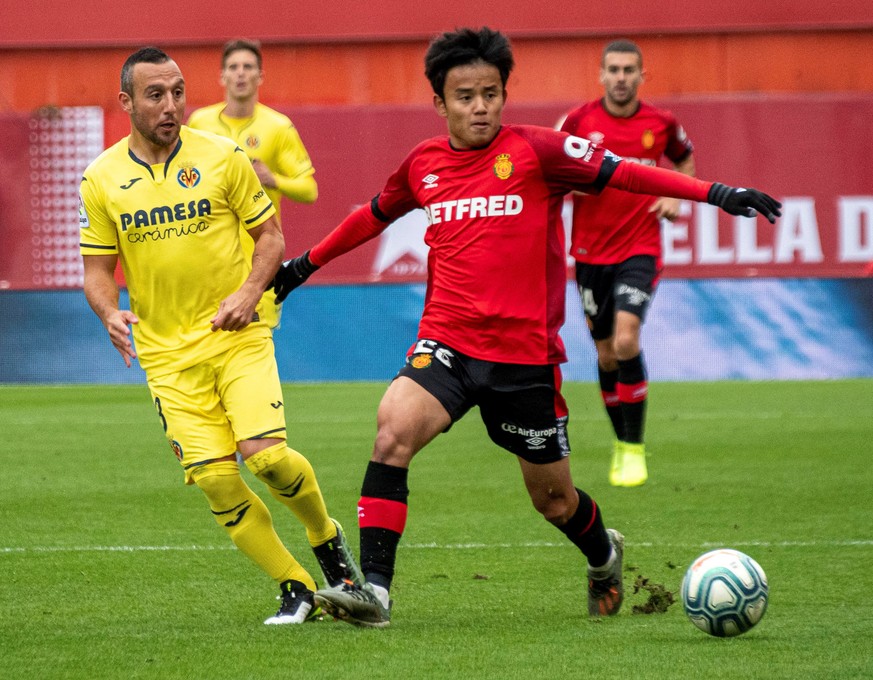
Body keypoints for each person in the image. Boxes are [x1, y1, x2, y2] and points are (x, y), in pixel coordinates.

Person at [272, 27, 780, 628]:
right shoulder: (424, 165)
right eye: (465, 96)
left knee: (554, 500)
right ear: (440, 102)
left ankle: (603, 553)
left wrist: (714, 193)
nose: (480, 106)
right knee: (392, 432)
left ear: (504, 94)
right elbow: (372, 216)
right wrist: (304, 266)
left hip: (524, 359)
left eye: (490, 93)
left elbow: (628, 174)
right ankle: (375, 593)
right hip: (449, 342)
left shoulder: (541, 150)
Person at [79, 46, 360, 626]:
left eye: (178, 92)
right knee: (213, 477)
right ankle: (296, 586)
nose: (171, 105)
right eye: (156, 95)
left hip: (238, 333)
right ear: (127, 102)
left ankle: (327, 542)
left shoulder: (224, 156)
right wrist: (108, 312)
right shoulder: (101, 178)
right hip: (165, 354)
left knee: (269, 459)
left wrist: (249, 292)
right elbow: (98, 272)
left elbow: (273, 239)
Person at [559, 39, 696, 488]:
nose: (620, 78)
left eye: (628, 70)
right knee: (605, 354)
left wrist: (675, 192)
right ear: (601, 75)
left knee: (625, 339)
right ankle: (621, 442)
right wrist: (571, 185)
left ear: (642, 76)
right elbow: (554, 167)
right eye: (613, 70)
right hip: (590, 254)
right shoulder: (579, 122)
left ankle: (635, 448)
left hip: (640, 248)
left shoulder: (661, 123)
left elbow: (683, 159)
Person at [187, 38, 317, 330]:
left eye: (248, 67)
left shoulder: (277, 126)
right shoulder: (199, 123)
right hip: (207, 258)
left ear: (260, 76)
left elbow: (309, 189)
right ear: (222, 76)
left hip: (258, 259)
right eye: (233, 67)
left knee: (256, 343)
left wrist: (273, 179)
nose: (241, 73)